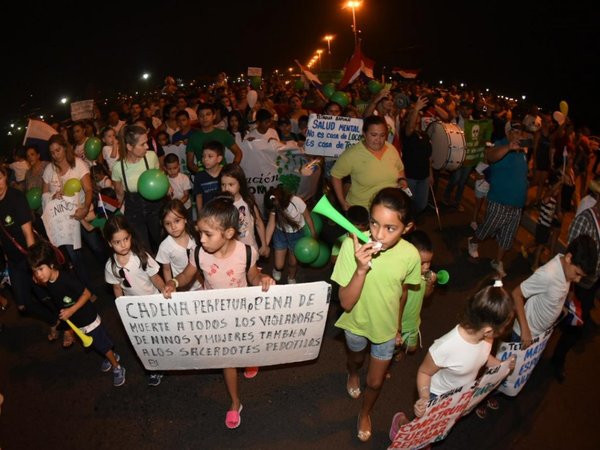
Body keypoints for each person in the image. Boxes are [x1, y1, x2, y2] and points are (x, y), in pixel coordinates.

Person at [162, 194, 275, 429]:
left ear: (229, 233)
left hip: (243, 312)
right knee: (228, 358)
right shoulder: (198, 253)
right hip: (216, 316)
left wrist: (262, 278)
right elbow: (186, 275)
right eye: (200, 232)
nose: (201, 239)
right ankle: (235, 403)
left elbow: (252, 276)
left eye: (208, 234)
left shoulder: (246, 252)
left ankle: (249, 359)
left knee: (245, 346)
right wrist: (173, 282)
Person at [331, 187, 421, 442]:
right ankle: (351, 373)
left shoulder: (410, 255)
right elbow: (346, 303)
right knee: (356, 360)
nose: (378, 234)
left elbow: (402, 292)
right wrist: (361, 269)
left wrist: (397, 327)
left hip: (385, 330)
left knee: (375, 382)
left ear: (407, 228)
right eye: (374, 223)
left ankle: (365, 412)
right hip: (356, 323)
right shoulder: (352, 245)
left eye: (390, 228)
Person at [406, 282, 515, 430]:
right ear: (488, 330)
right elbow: (424, 372)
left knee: (439, 430)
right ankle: (401, 425)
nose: (503, 331)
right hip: (436, 396)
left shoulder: (487, 338)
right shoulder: (447, 346)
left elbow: (482, 356)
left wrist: (500, 366)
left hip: (457, 397)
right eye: (503, 327)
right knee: (422, 432)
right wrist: (425, 397)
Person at [27, 240, 126, 386]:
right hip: (78, 320)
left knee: (101, 343)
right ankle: (110, 355)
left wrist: (71, 310)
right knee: (97, 344)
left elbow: (87, 294)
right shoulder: (49, 282)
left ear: (51, 264)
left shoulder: (65, 279)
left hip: (88, 318)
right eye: (35, 271)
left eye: (41, 269)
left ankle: (117, 366)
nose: (38, 275)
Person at [103, 215, 166, 386]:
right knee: (143, 341)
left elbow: (156, 278)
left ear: (130, 236)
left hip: (153, 304)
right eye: (117, 242)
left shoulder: (141, 257)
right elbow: (117, 288)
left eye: (126, 239)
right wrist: (122, 309)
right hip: (134, 310)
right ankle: (153, 369)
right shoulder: (111, 266)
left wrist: (165, 291)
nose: (123, 244)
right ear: (109, 243)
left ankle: (165, 360)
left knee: (159, 337)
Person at [467, 120, 529, 277]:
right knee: (487, 229)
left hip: (517, 204)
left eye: (520, 132)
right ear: (508, 132)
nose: (519, 134)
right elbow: (490, 156)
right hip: (499, 200)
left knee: (508, 237)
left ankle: (497, 261)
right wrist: (509, 147)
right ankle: (473, 242)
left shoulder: (522, 151)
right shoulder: (500, 145)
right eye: (515, 131)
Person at [42, 134, 105, 289]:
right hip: (64, 222)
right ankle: (88, 290)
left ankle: (113, 274)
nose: (55, 155)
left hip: (81, 215)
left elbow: (89, 189)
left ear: (65, 148)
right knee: (75, 257)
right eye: (52, 152)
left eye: (58, 150)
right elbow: (43, 194)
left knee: (96, 246)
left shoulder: (78, 164)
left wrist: (84, 208)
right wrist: (52, 196)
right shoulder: (49, 170)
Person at [512, 235, 597, 348]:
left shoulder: (566, 270)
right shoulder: (548, 275)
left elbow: (555, 291)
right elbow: (516, 294)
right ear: (568, 258)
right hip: (524, 333)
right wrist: (525, 329)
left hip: (540, 333)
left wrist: (560, 306)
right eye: (577, 274)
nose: (577, 280)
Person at [0, 165, 57, 335]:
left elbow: (27, 233)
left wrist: (35, 264)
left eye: (0, 178)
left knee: (47, 293)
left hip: (30, 256)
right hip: (14, 261)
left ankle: (67, 323)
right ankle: (54, 319)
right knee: (23, 305)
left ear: (5, 178)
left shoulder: (15, 198)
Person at [331, 115, 408, 211]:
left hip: (389, 208)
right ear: (364, 133)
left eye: (382, 135)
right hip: (363, 210)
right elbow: (335, 175)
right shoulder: (352, 154)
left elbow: (400, 169)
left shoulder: (391, 149)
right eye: (374, 135)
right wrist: (342, 201)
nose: (378, 140)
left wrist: (402, 180)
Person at [111, 125, 163, 254]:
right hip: (134, 210)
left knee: (163, 243)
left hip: (155, 207)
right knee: (143, 248)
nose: (147, 146)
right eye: (143, 144)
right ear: (129, 147)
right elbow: (119, 194)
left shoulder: (151, 157)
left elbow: (160, 178)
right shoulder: (118, 167)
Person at [264, 184, 316, 284]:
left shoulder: (297, 201)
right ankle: (277, 269)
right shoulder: (275, 204)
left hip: (297, 234)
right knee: (279, 265)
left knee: (293, 262)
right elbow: (271, 225)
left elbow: (308, 217)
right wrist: (265, 244)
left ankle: (291, 277)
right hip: (280, 234)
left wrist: (313, 232)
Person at [220, 163, 269, 257]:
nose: (226, 188)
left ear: (240, 184)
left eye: (231, 184)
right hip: (230, 253)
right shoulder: (221, 204)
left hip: (249, 249)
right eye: (223, 185)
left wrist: (264, 244)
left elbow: (258, 222)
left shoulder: (248, 201)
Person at [155, 199, 202, 291]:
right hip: (181, 286)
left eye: (177, 221)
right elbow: (166, 270)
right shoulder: (165, 246)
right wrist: (171, 287)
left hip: (200, 283)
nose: (173, 227)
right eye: (168, 223)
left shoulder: (195, 236)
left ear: (185, 219)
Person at [401, 95, 433, 216]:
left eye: (418, 113)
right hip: (410, 176)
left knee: (421, 204)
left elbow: (428, 156)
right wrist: (415, 109)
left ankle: (413, 220)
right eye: (413, 114)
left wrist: (430, 174)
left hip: (424, 176)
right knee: (408, 204)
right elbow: (410, 128)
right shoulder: (406, 132)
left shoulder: (424, 135)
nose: (417, 115)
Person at [187, 104, 243, 173]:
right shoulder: (193, 138)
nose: (205, 118)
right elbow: (190, 163)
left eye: (208, 114)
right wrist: (201, 174)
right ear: (198, 118)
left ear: (214, 116)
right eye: (201, 115)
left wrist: (232, 170)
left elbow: (238, 153)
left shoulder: (223, 134)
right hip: (204, 178)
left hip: (222, 176)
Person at [194, 141, 225, 218]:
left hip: (225, 213)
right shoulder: (199, 176)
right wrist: (200, 215)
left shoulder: (226, 173)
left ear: (219, 158)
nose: (205, 159)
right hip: (207, 215)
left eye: (210, 156)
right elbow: (199, 196)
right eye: (203, 156)